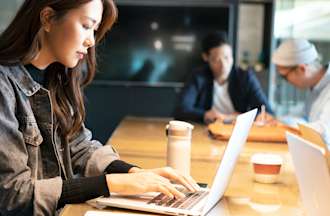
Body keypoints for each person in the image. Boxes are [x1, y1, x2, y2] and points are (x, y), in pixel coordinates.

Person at [0, 1, 200, 215]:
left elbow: (80, 147)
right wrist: (111, 184)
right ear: (48, 18)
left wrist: (134, 173)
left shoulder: (56, 77)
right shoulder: (4, 86)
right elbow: (14, 195)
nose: (90, 41)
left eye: (94, 31)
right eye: (86, 26)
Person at [174, 31, 273, 124]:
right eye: (217, 60)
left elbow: (266, 110)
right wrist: (205, 114)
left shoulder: (245, 77)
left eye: (227, 57)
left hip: (238, 131)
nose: (224, 65)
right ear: (205, 57)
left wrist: (258, 116)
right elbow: (181, 109)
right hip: (206, 131)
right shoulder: (198, 76)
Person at [272, 38, 330, 145]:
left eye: (284, 77)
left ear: (301, 69)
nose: (286, 82)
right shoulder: (315, 86)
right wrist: (277, 120)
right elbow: (304, 118)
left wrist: (284, 126)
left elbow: (324, 130)